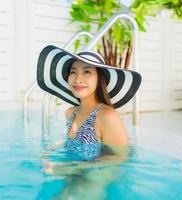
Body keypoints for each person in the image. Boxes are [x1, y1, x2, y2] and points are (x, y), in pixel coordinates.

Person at [36, 45, 142, 199]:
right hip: (71, 175)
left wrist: (74, 167)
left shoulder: (106, 116)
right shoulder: (70, 113)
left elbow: (120, 157)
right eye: (73, 72)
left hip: (93, 181)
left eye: (87, 71)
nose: (78, 78)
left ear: (100, 79)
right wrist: (51, 149)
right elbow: (71, 142)